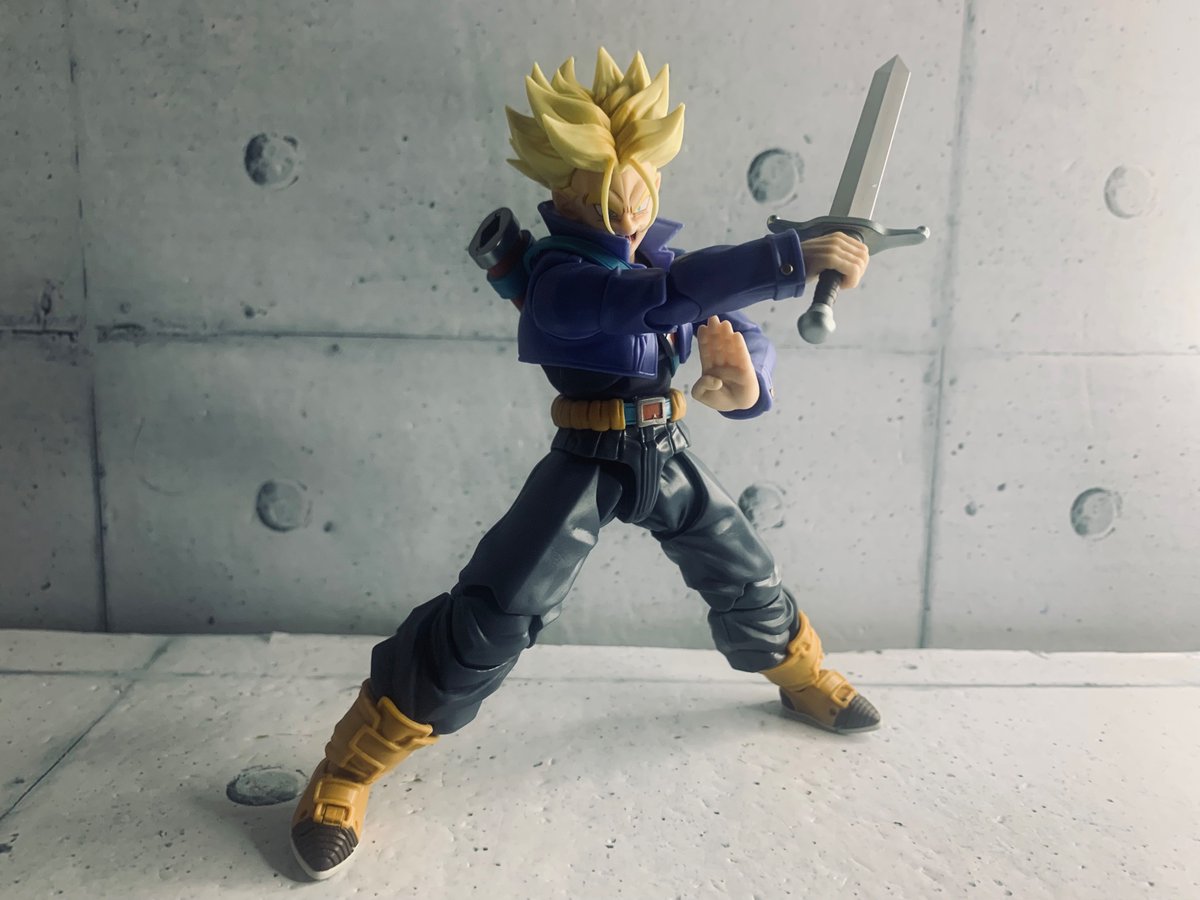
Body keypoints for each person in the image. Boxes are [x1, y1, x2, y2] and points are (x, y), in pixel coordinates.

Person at [290, 48, 876, 880]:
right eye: (605, 194)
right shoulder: (560, 278)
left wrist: (743, 377)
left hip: (665, 449)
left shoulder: (664, 266)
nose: (629, 212)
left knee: (743, 569)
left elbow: (731, 335)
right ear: (563, 193)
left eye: (640, 190)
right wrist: (786, 260)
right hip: (588, 457)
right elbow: (647, 303)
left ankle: (803, 673)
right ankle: (349, 767)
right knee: (495, 613)